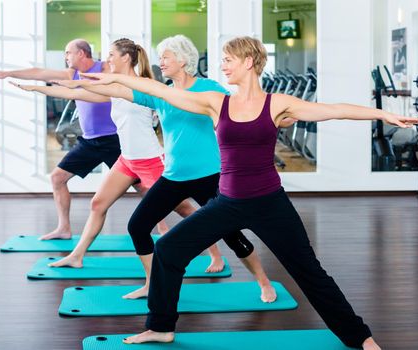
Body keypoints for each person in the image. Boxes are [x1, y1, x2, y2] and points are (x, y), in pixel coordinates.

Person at [89, 36, 418, 349]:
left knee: (309, 272)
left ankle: (360, 336)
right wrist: (117, 83)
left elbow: (335, 109)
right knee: (169, 250)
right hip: (228, 203)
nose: (223, 66)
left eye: (228, 60)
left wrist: (382, 114)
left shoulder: (278, 104)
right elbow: (157, 90)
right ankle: (161, 327)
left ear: (249, 61)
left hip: (270, 204)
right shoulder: (217, 102)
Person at [51, 35, 278, 301]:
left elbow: (242, 109)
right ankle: (151, 284)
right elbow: (120, 88)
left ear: (182, 60)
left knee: (230, 233)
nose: (161, 61)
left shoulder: (210, 88)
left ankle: (264, 282)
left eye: (166, 56)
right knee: (137, 226)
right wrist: (62, 85)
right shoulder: (163, 91)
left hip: (209, 177)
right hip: (173, 176)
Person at [9, 39, 191, 296]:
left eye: (111, 54)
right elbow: (75, 92)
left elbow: (172, 106)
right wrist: (36, 89)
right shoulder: (113, 85)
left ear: (126, 58)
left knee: (181, 206)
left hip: (150, 160)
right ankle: (77, 255)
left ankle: (214, 251)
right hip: (127, 159)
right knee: (98, 204)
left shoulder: (144, 86)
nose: (107, 59)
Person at [0, 39, 136, 239]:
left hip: (114, 140)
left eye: (68, 52)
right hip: (89, 141)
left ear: (82, 53)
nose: (65, 57)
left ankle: (163, 226)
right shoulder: (70, 73)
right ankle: (64, 228)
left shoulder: (106, 68)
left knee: (142, 184)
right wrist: (8, 74)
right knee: (57, 178)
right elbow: (38, 72)